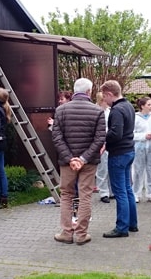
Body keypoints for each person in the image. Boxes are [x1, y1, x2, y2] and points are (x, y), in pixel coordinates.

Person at [52, 78, 106, 245]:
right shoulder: (98, 111)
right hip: (89, 162)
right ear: (89, 92)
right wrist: (82, 159)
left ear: (74, 91)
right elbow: (100, 139)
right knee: (85, 196)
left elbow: (56, 137)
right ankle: (82, 234)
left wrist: (70, 159)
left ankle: (66, 233)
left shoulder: (60, 110)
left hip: (67, 162)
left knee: (67, 195)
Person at [99, 80, 138, 238]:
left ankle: (121, 227)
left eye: (104, 97)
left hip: (118, 154)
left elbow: (116, 134)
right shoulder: (129, 106)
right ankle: (132, 224)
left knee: (120, 191)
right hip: (129, 151)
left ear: (109, 94)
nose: (104, 101)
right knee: (128, 189)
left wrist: (102, 138)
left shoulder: (116, 110)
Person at [132, 97, 151, 204]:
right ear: (142, 106)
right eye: (149, 105)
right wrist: (144, 136)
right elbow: (132, 134)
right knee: (138, 170)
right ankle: (136, 194)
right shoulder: (135, 118)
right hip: (139, 147)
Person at [95, 92, 113, 203]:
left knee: (111, 168)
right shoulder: (95, 111)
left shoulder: (109, 112)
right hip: (100, 143)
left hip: (109, 141)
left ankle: (111, 191)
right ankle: (103, 193)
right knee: (102, 169)